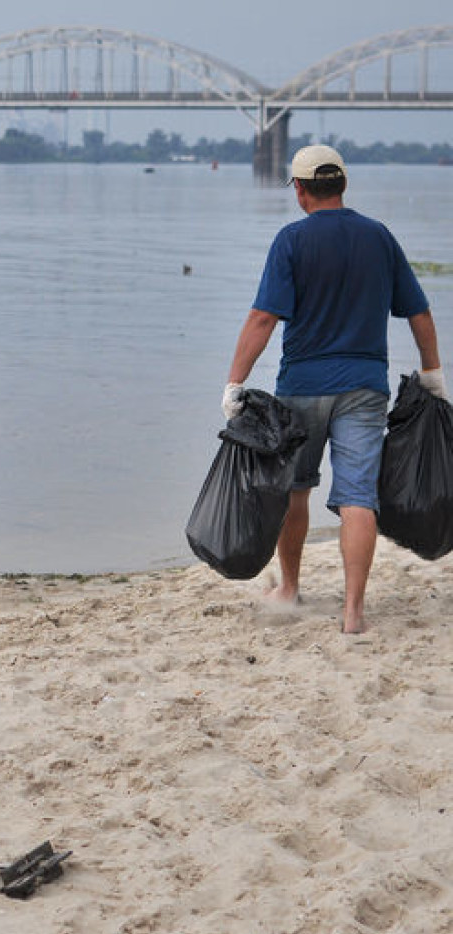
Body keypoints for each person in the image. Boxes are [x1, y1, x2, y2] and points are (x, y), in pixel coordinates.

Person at [223, 144, 444, 634]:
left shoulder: (291, 241)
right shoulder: (379, 237)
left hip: (301, 387)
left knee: (294, 492)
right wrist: (433, 376)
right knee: (357, 498)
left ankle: (290, 588)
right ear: (342, 185)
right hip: (365, 388)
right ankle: (354, 613)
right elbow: (420, 313)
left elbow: (263, 318)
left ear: (300, 190)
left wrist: (235, 382)